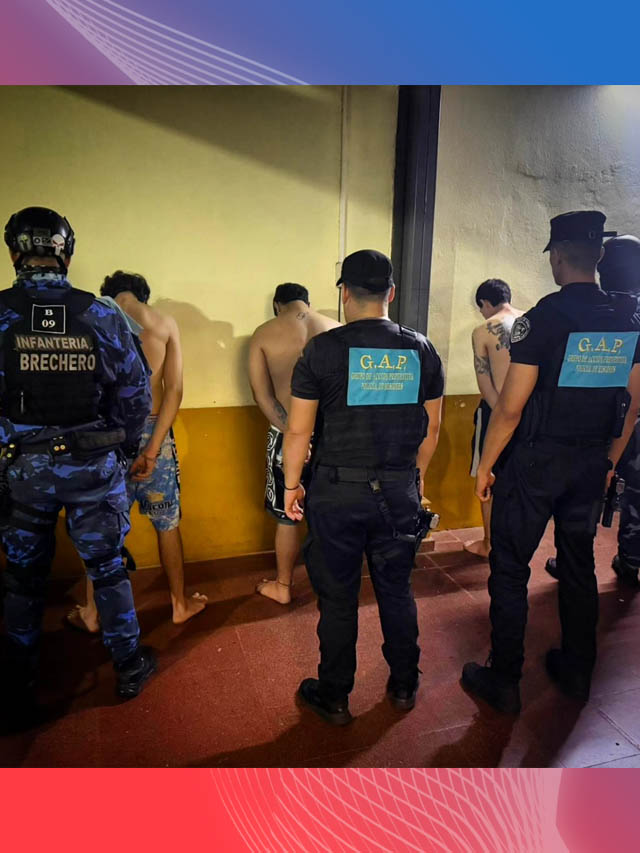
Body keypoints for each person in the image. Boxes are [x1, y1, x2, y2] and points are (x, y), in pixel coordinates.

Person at [461, 211, 640, 714]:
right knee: (579, 563)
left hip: (536, 462)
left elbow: (510, 407)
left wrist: (486, 465)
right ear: (598, 255)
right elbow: (633, 403)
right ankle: (578, 671)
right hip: (591, 460)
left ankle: (504, 678)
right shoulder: (628, 317)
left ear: (557, 257)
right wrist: (610, 460)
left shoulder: (544, 318)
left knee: (510, 566)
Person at [0, 207, 155, 727]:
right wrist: (122, 449)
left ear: (14, 252)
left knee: (23, 578)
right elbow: (135, 396)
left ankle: (18, 683)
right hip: (92, 466)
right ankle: (128, 667)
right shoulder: (101, 314)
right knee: (107, 569)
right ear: (66, 253)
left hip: (22, 471)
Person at [283, 250, 444, 725]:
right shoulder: (421, 349)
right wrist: (415, 478)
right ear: (390, 292)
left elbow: (298, 430)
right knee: (396, 589)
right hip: (398, 490)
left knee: (337, 598)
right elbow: (432, 428)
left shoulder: (322, 350)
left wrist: (291, 485)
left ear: (345, 293)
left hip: (336, 493)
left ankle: (334, 696)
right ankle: (404, 684)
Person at [68, 271, 207, 631]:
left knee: (102, 528)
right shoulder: (164, 323)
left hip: (105, 436)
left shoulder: (91, 319)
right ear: (143, 295)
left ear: (109, 293)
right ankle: (179, 604)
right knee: (167, 522)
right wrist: (153, 447)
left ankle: (92, 612)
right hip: (154, 432)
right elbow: (174, 390)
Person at [546, 235, 640, 586]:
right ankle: (630, 559)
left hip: (600, 421)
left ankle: (572, 561)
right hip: (625, 418)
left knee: (585, 494)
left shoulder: (598, 310)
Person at [248, 282, 339, 604]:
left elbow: (262, 396)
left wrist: (292, 433)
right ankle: (334, 587)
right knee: (332, 513)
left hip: (285, 433)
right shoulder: (336, 329)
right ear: (307, 302)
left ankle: (283, 586)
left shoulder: (263, 334)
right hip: (334, 436)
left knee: (287, 515)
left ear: (277, 304)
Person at [466, 279, 523, 557]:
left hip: (496, 411)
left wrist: (503, 415)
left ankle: (489, 544)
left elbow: (485, 383)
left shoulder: (483, 330)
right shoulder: (532, 320)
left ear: (485, 303)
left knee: (486, 475)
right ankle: (517, 545)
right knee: (521, 480)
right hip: (532, 414)